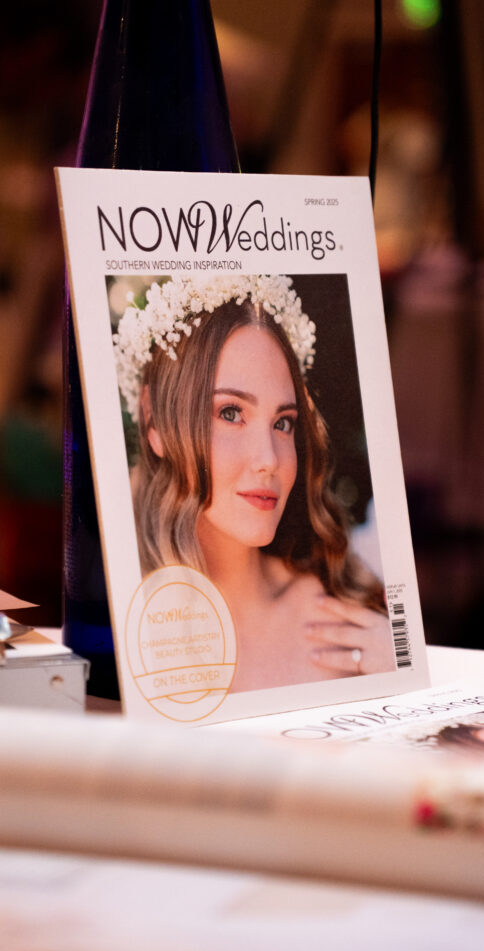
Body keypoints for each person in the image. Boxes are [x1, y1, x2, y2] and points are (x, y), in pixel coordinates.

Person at [113, 274, 396, 692]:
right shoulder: (115, 620)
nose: (269, 460)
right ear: (154, 420)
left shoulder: (345, 622)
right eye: (230, 413)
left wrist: (402, 676)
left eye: (283, 423)